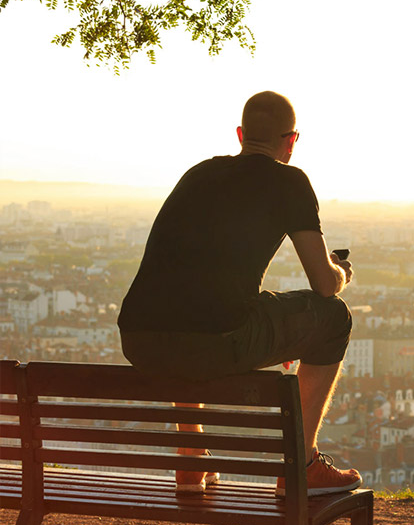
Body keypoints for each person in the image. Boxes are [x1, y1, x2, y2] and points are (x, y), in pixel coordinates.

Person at [118, 90, 361, 497]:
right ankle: (300, 466)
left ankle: (191, 457)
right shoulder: (290, 181)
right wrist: (341, 273)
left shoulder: (198, 174)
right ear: (291, 141)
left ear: (240, 134)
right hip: (218, 340)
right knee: (335, 317)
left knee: (190, 310)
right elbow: (323, 284)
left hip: (139, 338)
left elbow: (193, 279)